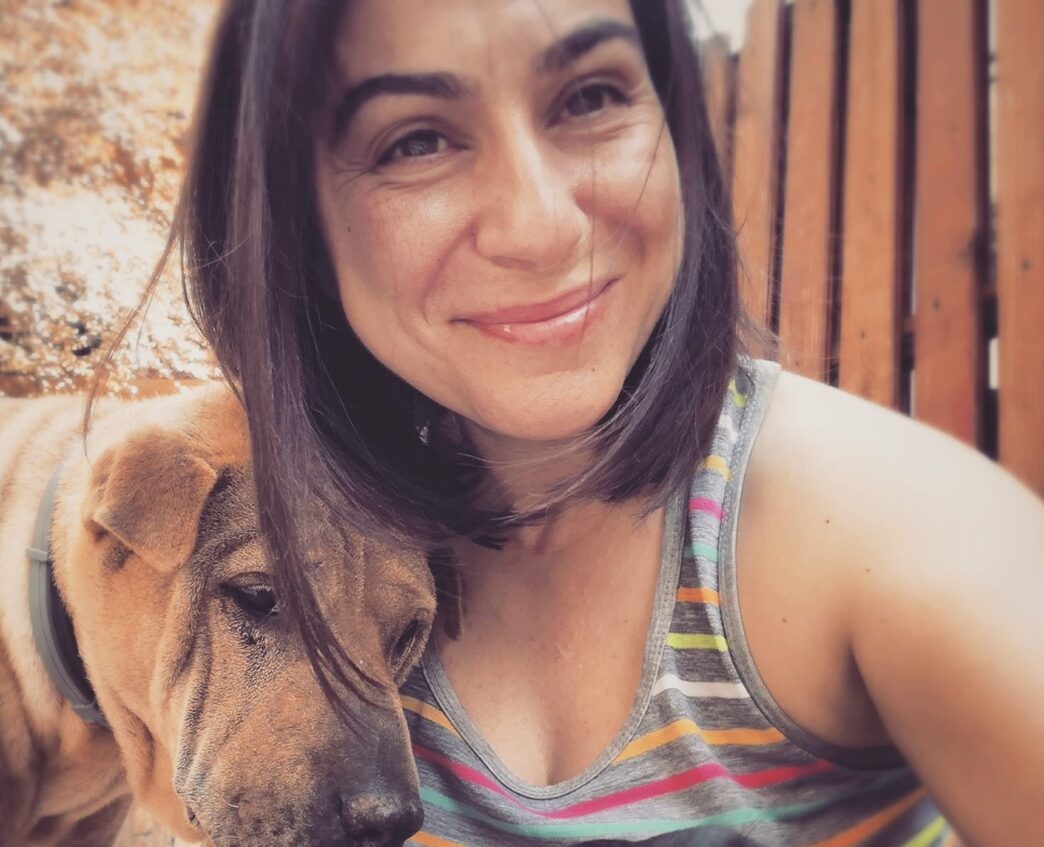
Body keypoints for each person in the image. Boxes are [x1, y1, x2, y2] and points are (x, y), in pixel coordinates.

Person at [150, 0, 1044, 844]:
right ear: (297, 222)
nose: (540, 226)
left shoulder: (885, 525)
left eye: (590, 98)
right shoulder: (273, 545)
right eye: (415, 141)